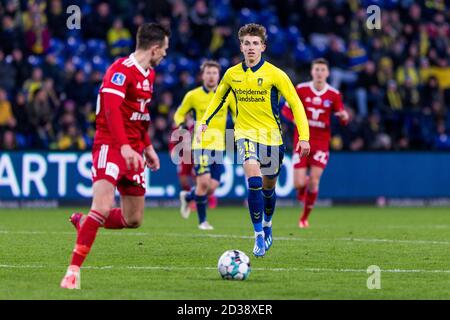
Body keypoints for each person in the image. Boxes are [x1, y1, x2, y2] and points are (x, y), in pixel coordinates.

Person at [60, 23, 170, 289]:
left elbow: (139, 116)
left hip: (133, 150)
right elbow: (111, 112)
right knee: (102, 206)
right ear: (154, 48)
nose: (165, 54)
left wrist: (147, 147)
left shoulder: (149, 75)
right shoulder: (120, 71)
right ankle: (73, 271)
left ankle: (85, 223)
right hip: (111, 147)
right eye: (164, 50)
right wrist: (123, 147)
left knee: (134, 219)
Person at [198, 24, 310, 257]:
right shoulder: (231, 74)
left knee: (269, 188)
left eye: (255, 43)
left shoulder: (276, 74)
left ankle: (268, 224)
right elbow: (217, 98)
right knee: (254, 180)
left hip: (272, 137)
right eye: (247, 43)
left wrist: (305, 137)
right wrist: (204, 122)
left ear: (263, 47)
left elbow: (296, 104)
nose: (251, 48)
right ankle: (258, 234)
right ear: (241, 46)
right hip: (245, 135)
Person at [281, 58, 349, 228]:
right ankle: (302, 190)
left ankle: (304, 218)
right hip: (302, 140)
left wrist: (344, 117)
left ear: (327, 73)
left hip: (321, 143)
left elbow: (342, 116)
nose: (319, 73)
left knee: (314, 181)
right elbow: (285, 110)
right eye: (316, 69)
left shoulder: (334, 94)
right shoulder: (301, 89)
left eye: (322, 70)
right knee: (299, 183)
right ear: (312, 72)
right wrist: (295, 120)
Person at [173, 60, 235, 230]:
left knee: (212, 186)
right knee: (204, 182)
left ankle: (188, 197)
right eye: (208, 73)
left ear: (219, 76)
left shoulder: (227, 96)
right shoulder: (193, 95)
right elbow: (179, 114)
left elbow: (237, 115)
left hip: (220, 146)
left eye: (214, 73)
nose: (211, 76)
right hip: (200, 145)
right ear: (202, 75)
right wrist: (181, 125)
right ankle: (203, 222)